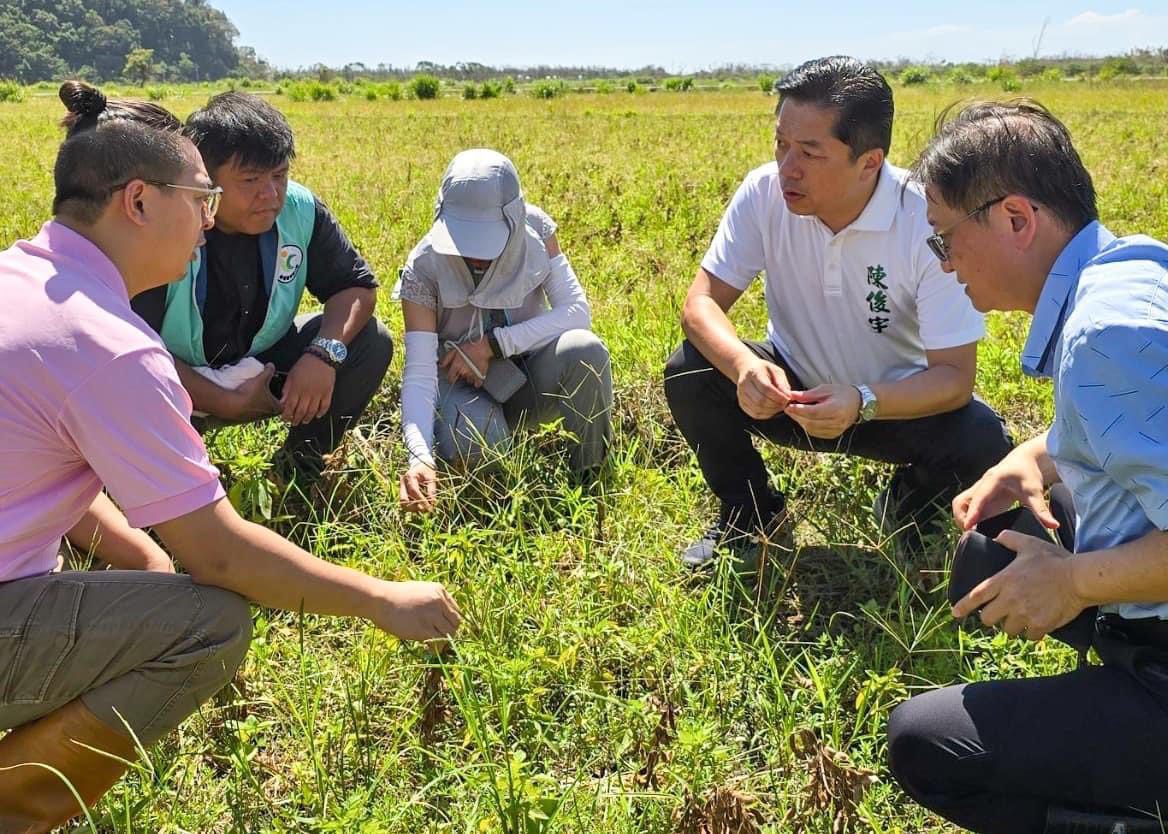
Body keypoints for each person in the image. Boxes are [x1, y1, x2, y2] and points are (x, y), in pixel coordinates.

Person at [0, 82, 460, 834]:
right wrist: (382, 599)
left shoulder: (23, 282)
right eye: (201, 197)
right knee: (209, 623)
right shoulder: (107, 346)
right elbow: (217, 556)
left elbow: (40, 470)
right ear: (140, 202)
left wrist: (144, 567)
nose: (209, 219)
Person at [887, 100, 1168, 834]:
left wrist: (1071, 581)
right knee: (987, 553)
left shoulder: (1107, 336)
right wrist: (1030, 458)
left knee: (924, 742)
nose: (945, 266)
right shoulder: (1129, 275)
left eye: (947, 239)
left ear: (1015, 219)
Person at [663, 56, 1011, 567]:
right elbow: (701, 304)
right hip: (791, 390)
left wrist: (863, 400)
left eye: (809, 152)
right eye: (781, 144)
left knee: (982, 438)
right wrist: (744, 367)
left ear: (870, 161)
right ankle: (750, 511)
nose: (787, 168)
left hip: (892, 404)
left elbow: (954, 378)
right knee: (689, 369)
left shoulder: (927, 219)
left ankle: (907, 505)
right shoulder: (763, 194)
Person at [132, 92, 392, 482]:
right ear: (207, 180)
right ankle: (171, 479)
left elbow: (355, 287)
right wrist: (222, 400)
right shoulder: (168, 220)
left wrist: (323, 355)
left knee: (371, 341)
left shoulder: (300, 209)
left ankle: (298, 469)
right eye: (250, 180)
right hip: (172, 377)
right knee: (124, 395)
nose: (270, 194)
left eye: (279, 175)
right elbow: (133, 350)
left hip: (261, 361)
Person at [396, 148, 612, 513]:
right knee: (486, 448)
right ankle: (484, 449)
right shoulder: (424, 266)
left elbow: (577, 313)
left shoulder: (538, 232)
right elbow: (418, 373)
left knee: (585, 351)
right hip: (458, 385)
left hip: (527, 373)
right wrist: (419, 456)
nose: (478, 255)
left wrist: (493, 345)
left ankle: (589, 480)